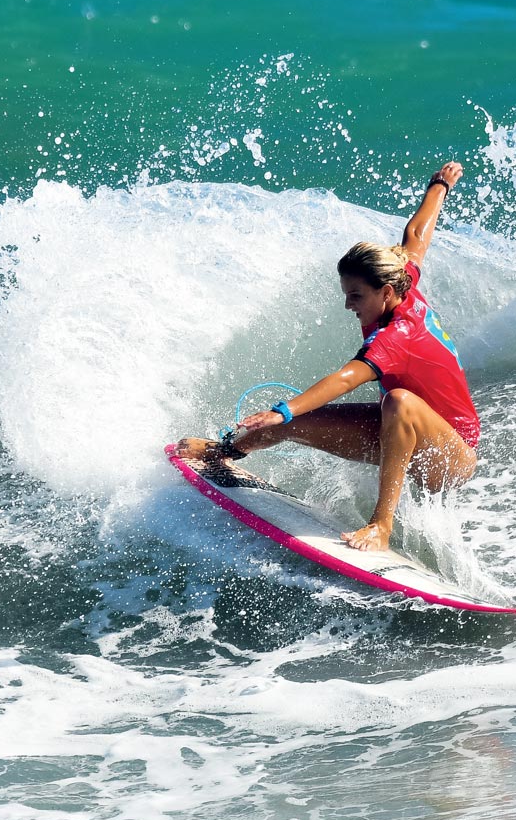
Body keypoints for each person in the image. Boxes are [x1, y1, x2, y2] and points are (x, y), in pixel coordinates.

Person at [175, 162, 479, 552]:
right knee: (298, 422)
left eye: (356, 296)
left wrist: (283, 409)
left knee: (397, 402)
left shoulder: (396, 334)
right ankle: (222, 454)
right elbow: (416, 235)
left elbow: (345, 379)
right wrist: (440, 185)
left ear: (385, 293)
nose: (348, 305)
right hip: (407, 433)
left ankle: (380, 527)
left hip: (448, 455)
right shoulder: (405, 280)